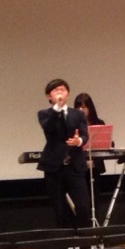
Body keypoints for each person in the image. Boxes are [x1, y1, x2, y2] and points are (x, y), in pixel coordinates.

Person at [37, 78, 91, 228]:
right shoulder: (44, 114)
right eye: (56, 90)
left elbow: (84, 134)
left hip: (75, 166)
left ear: (68, 94)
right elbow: (48, 128)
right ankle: (66, 239)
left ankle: (85, 239)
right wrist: (57, 109)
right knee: (60, 209)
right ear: (49, 96)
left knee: (83, 206)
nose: (60, 92)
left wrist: (78, 141)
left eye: (63, 89)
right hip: (54, 167)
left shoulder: (78, 114)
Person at [74, 92, 107, 181]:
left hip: (95, 165)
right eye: (78, 107)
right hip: (79, 165)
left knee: (95, 188)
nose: (81, 110)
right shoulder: (73, 124)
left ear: (90, 108)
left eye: (84, 107)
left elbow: (105, 143)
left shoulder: (99, 123)